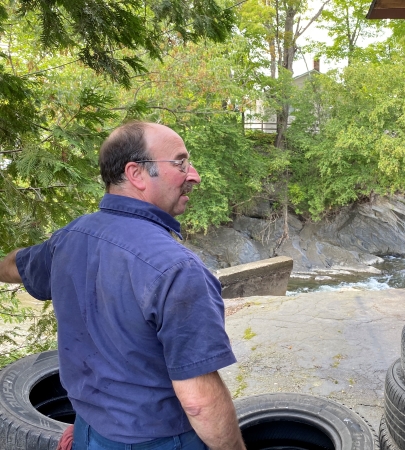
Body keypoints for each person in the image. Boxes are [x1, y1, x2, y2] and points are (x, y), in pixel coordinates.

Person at [0, 122, 246, 450]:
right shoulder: (180, 271)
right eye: (181, 162)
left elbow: (14, 266)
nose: (194, 175)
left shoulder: (70, 237)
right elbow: (199, 401)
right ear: (136, 174)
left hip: (90, 432)